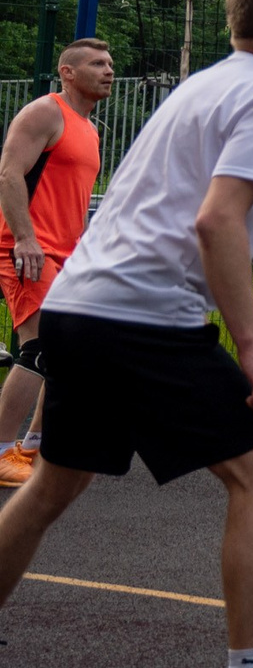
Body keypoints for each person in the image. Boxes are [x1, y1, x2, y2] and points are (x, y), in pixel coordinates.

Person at [0, 0, 253, 668]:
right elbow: (218, 221)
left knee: (55, 482)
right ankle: (252, 661)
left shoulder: (203, 84)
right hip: (141, 316)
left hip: (78, 304)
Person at [0, 37, 113, 487]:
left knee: (72, 350)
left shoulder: (90, 129)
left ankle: (36, 446)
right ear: (68, 72)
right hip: (29, 247)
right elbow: (8, 173)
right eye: (97, 63)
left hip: (66, 254)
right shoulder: (45, 112)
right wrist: (25, 238)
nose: (108, 70)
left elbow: (71, 198)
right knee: (41, 347)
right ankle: (0, 450)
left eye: (110, 63)